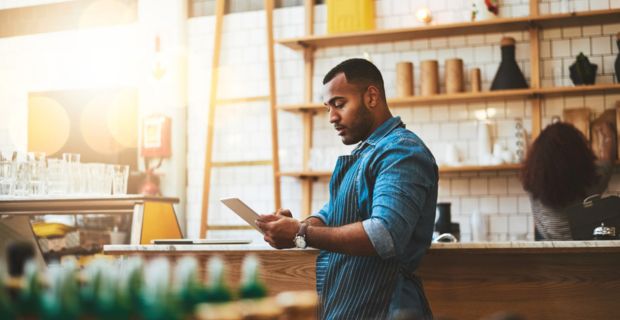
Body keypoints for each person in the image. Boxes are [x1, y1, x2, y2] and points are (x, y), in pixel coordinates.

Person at [256, 58, 438, 319]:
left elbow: (383, 234)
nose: (331, 117)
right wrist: (296, 225)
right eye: (328, 107)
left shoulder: (401, 151)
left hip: (386, 306)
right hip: (351, 304)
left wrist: (300, 233)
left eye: (339, 104)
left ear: (371, 97)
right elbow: (330, 216)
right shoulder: (367, 154)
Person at [520, 121, 615, 240]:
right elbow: (608, 159)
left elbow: (530, 163)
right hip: (583, 249)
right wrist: (608, 133)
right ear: (580, 153)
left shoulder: (532, 182)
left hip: (546, 247)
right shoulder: (592, 181)